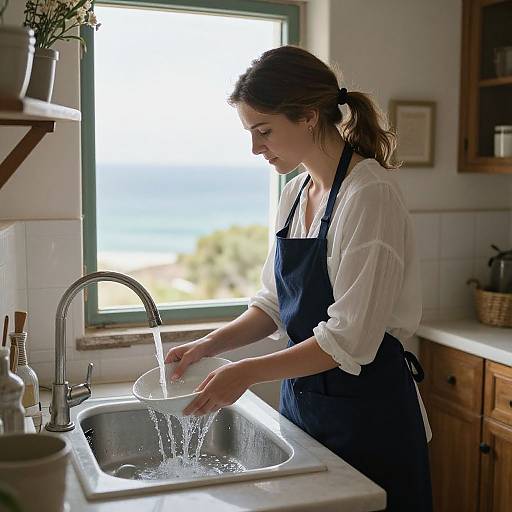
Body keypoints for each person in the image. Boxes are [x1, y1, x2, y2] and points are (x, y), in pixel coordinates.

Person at [165, 45, 433, 511]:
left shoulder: (370, 196)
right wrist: (208, 347)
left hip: (369, 416)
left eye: (264, 131)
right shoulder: (295, 193)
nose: (255, 148)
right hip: (305, 407)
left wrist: (244, 372)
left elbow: (346, 340)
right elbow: (271, 305)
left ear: (309, 117)